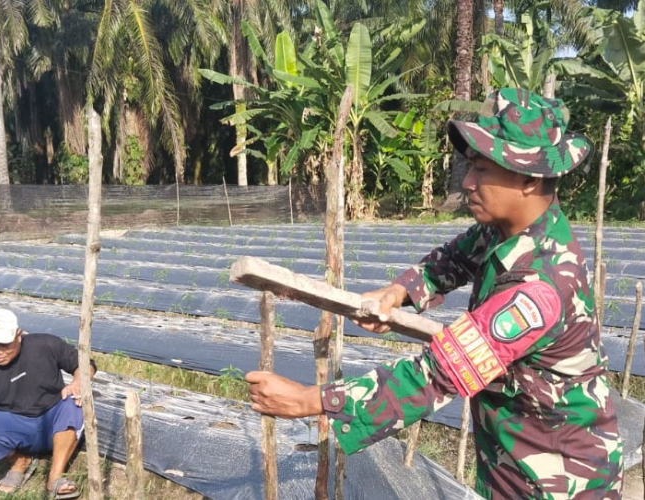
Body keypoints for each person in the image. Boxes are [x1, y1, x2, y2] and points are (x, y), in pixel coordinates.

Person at [246, 88, 623, 499]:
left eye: (481, 170)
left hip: (560, 480)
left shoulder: (539, 288)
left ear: (529, 177)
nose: (467, 182)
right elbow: (455, 258)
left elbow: (439, 374)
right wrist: (398, 292)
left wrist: (309, 400)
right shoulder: (516, 230)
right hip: (521, 458)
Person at [0, 308, 96, 499]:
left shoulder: (45, 345)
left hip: (54, 417)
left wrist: (77, 384)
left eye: (4, 344)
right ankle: (20, 461)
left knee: (76, 402)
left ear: (19, 335)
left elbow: (85, 364)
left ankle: (54, 479)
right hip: (16, 424)